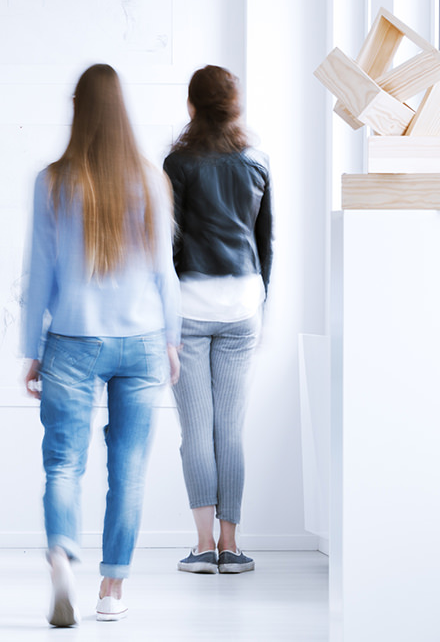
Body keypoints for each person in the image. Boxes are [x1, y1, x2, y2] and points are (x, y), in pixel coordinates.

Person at [20, 63, 181, 627]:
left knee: (63, 464)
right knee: (129, 469)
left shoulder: (54, 181)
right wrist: (173, 341)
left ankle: (61, 554)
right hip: (140, 341)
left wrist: (30, 347)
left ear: (78, 110)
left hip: (71, 337)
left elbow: (39, 275)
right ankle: (112, 589)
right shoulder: (150, 179)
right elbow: (166, 271)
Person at [163, 65, 272, 576]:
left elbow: (169, 246)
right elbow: (265, 243)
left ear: (191, 107)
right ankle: (232, 546)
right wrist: (260, 302)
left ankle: (203, 546)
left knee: (195, 431)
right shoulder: (258, 162)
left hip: (189, 306)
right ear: (235, 107)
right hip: (242, 305)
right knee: (229, 431)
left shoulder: (177, 164)